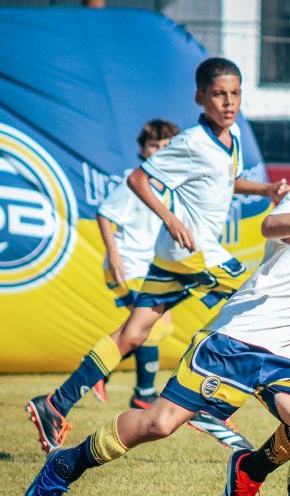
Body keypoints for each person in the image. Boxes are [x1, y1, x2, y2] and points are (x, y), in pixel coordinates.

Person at [21, 113, 290, 496]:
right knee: (157, 424)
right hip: (234, 344)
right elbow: (271, 226)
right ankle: (64, 466)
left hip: (284, 358)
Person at [25, 57, 289, 454]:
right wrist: (171, 219)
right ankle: (204, 400)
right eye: (218, 94)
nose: (228, 101)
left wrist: (265, 191)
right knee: (251, 302)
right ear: (200, 97)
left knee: (133, 333)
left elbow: (227, 181)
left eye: (235, 93)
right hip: (194, 248)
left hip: (176, 256)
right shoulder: (190, 142)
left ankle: (55, 405)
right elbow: (138, 179)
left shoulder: (229, 139)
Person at [93, 119, 251, 450]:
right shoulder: (137, 182)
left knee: (148, 330)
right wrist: (115, 255)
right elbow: (105, 214)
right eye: (153, 146)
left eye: (165, 145)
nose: (160, 151)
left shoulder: (173, 182)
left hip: (152, 264)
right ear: (142, 149)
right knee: (149, 329)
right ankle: (146, 393)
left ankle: (126, 386)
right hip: (130, 266)